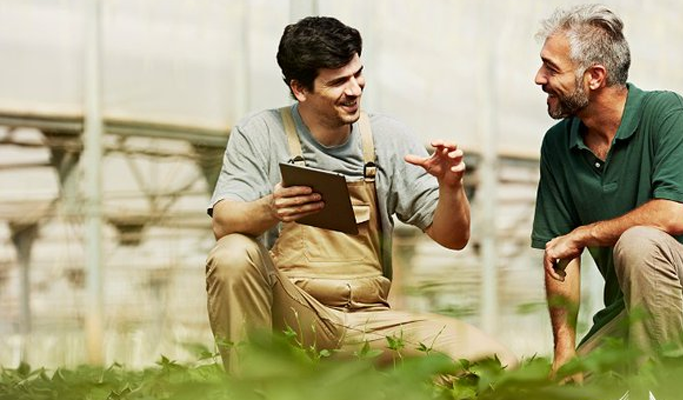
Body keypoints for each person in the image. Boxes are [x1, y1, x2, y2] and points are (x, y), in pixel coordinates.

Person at [205, 15, 516, 372]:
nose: (354, 89)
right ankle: (255, 390)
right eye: (338, 82)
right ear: (300, 89)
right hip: (296, 311)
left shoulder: (388, 138)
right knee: (232, 252)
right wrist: (270, 207)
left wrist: (451, 187)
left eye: (357, 74)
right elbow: (223, 222)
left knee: (496, 364)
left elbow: (454, 237)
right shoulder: (260, 132)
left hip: (369, 322)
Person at [529, 4, 683, 379]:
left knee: (638, 241)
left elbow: (673, 214)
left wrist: (584, 234)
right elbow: (560, 251)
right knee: (568, 389)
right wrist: (565, 351)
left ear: (594, 77)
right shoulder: (557, 145)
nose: (539, 77)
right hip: (630, 309)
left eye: (551, 68)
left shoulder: (666, 113)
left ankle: (660, 387)